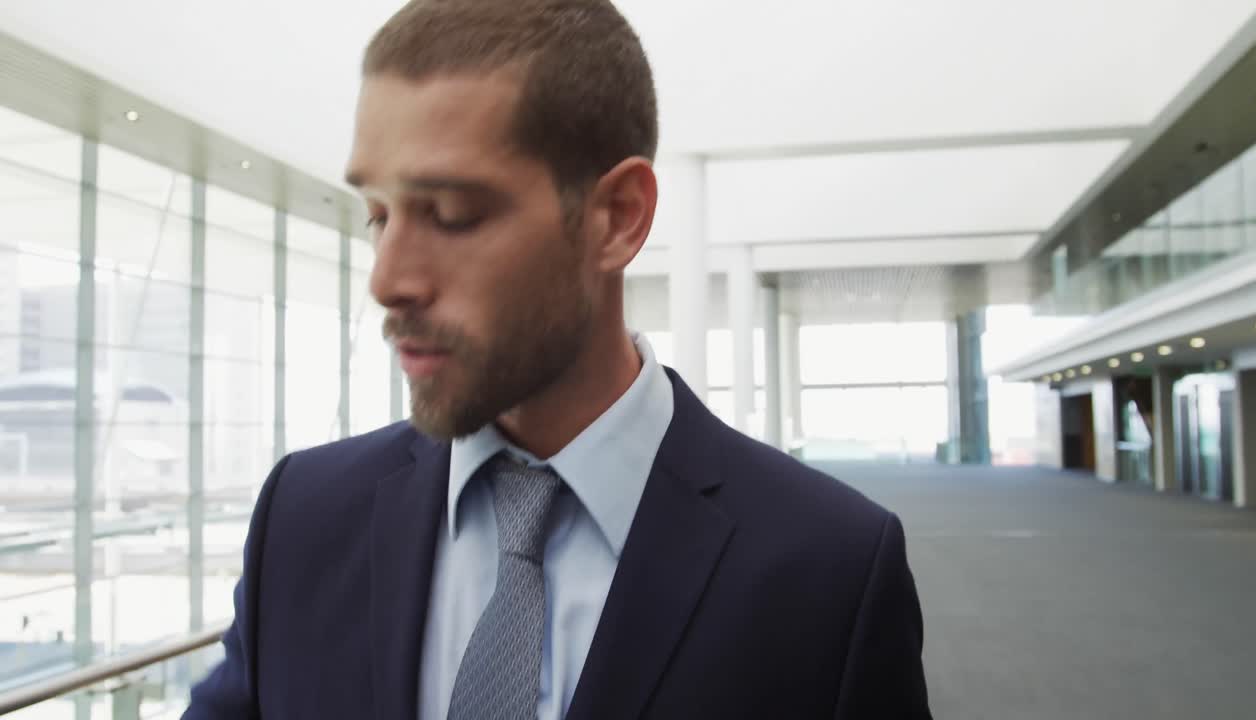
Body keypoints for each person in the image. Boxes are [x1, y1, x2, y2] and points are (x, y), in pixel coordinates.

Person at [184, 0, 931, 717]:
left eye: (451, 215)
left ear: (618, 218)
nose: (387, 280)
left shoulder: (829, 572)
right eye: (378, 215)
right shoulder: (303, 518)